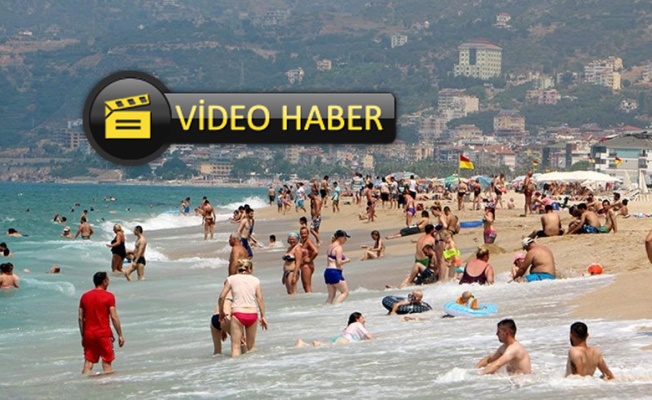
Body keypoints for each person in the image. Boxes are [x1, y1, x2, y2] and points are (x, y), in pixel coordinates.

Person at [218, 259, 268, 357]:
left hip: (238, 313)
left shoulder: (231, 279)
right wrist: (263, 316)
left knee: (236, 347)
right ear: (249, 269)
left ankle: (236, 366)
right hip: (252, 314)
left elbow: (221, 297)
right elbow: (260, 299)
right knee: (251, 347)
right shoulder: (255, 280)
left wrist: (221, 312)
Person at [78, 271, 124, 375]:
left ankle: (84, 383)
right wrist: (120, 335)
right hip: (103, 335)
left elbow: (80, 318)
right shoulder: (109, 296)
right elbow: (114, 317)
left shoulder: (85, 296)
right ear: (104, 281)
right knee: (107, 363)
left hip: (89, 334)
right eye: (108, 280)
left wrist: (83, 335)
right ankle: (108, 384)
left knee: (88, 363)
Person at [295, 312, 372, 347]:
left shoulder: (349, 326)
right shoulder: (357, 324)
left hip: (339, 338)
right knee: (323, 346)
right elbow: (369, 337)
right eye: (362, 318)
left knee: (326, 345)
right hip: (345, 340)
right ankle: (316, 343)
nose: (364, 320)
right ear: (357, 319)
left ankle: (303, 343)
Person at [324, 230, 351, 304]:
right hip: (335, 272)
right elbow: (339, 262)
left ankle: (326, 309)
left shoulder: (330, 246)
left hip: (328, 272)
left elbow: (332, 259)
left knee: (331, 296)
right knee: (345, 292)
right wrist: (347, 260)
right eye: (345, 238)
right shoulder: (339, 248)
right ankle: (336, 308)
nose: (346, 240)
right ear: (340, 238)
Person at [299, 226, 319, 293]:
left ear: (308, 233)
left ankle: (310, 297)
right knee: (305, 285)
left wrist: (310, 259)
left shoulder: (308, 241)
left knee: (307, 285)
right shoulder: (302, 241)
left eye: (305, 233)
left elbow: (316, 251)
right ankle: (310, 297)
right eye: (302, 234)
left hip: (307, 266)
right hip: (304, 266)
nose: (303, 235)